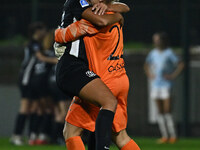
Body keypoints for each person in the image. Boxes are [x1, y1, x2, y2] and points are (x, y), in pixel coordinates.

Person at [55, 1, 140, 150]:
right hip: (119, 76)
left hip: (101, 75)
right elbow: (124, 7)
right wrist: (118, 14)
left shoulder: (96, 16)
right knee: (120, 136)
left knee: (74, 131)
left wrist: (60, 34)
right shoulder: (104, 13)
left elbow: (60, 36)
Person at [10, 22, 47, 146]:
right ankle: (16, 135)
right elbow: (40, 58)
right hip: (26, 79)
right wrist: (57, 60)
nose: (45, 33)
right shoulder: (34, 44)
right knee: (25, 108)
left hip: (33, 81)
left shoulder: (36, 44)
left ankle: (31, 135)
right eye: (43, 31)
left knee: (34, 108)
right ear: (37, 31)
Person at [144, 32, 184, 144]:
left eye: (158, 40)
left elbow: (181, 64)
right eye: (154, 40)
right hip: (156, 85)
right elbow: (146, 65)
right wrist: (150, 74)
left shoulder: (169, 53)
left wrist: (173, 75)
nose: (156, 42)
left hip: (166, 85)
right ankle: (164, 135)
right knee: (160, 112)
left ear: (163, 41)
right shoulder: (153, 53)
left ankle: (173, 135)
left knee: (167, 111)